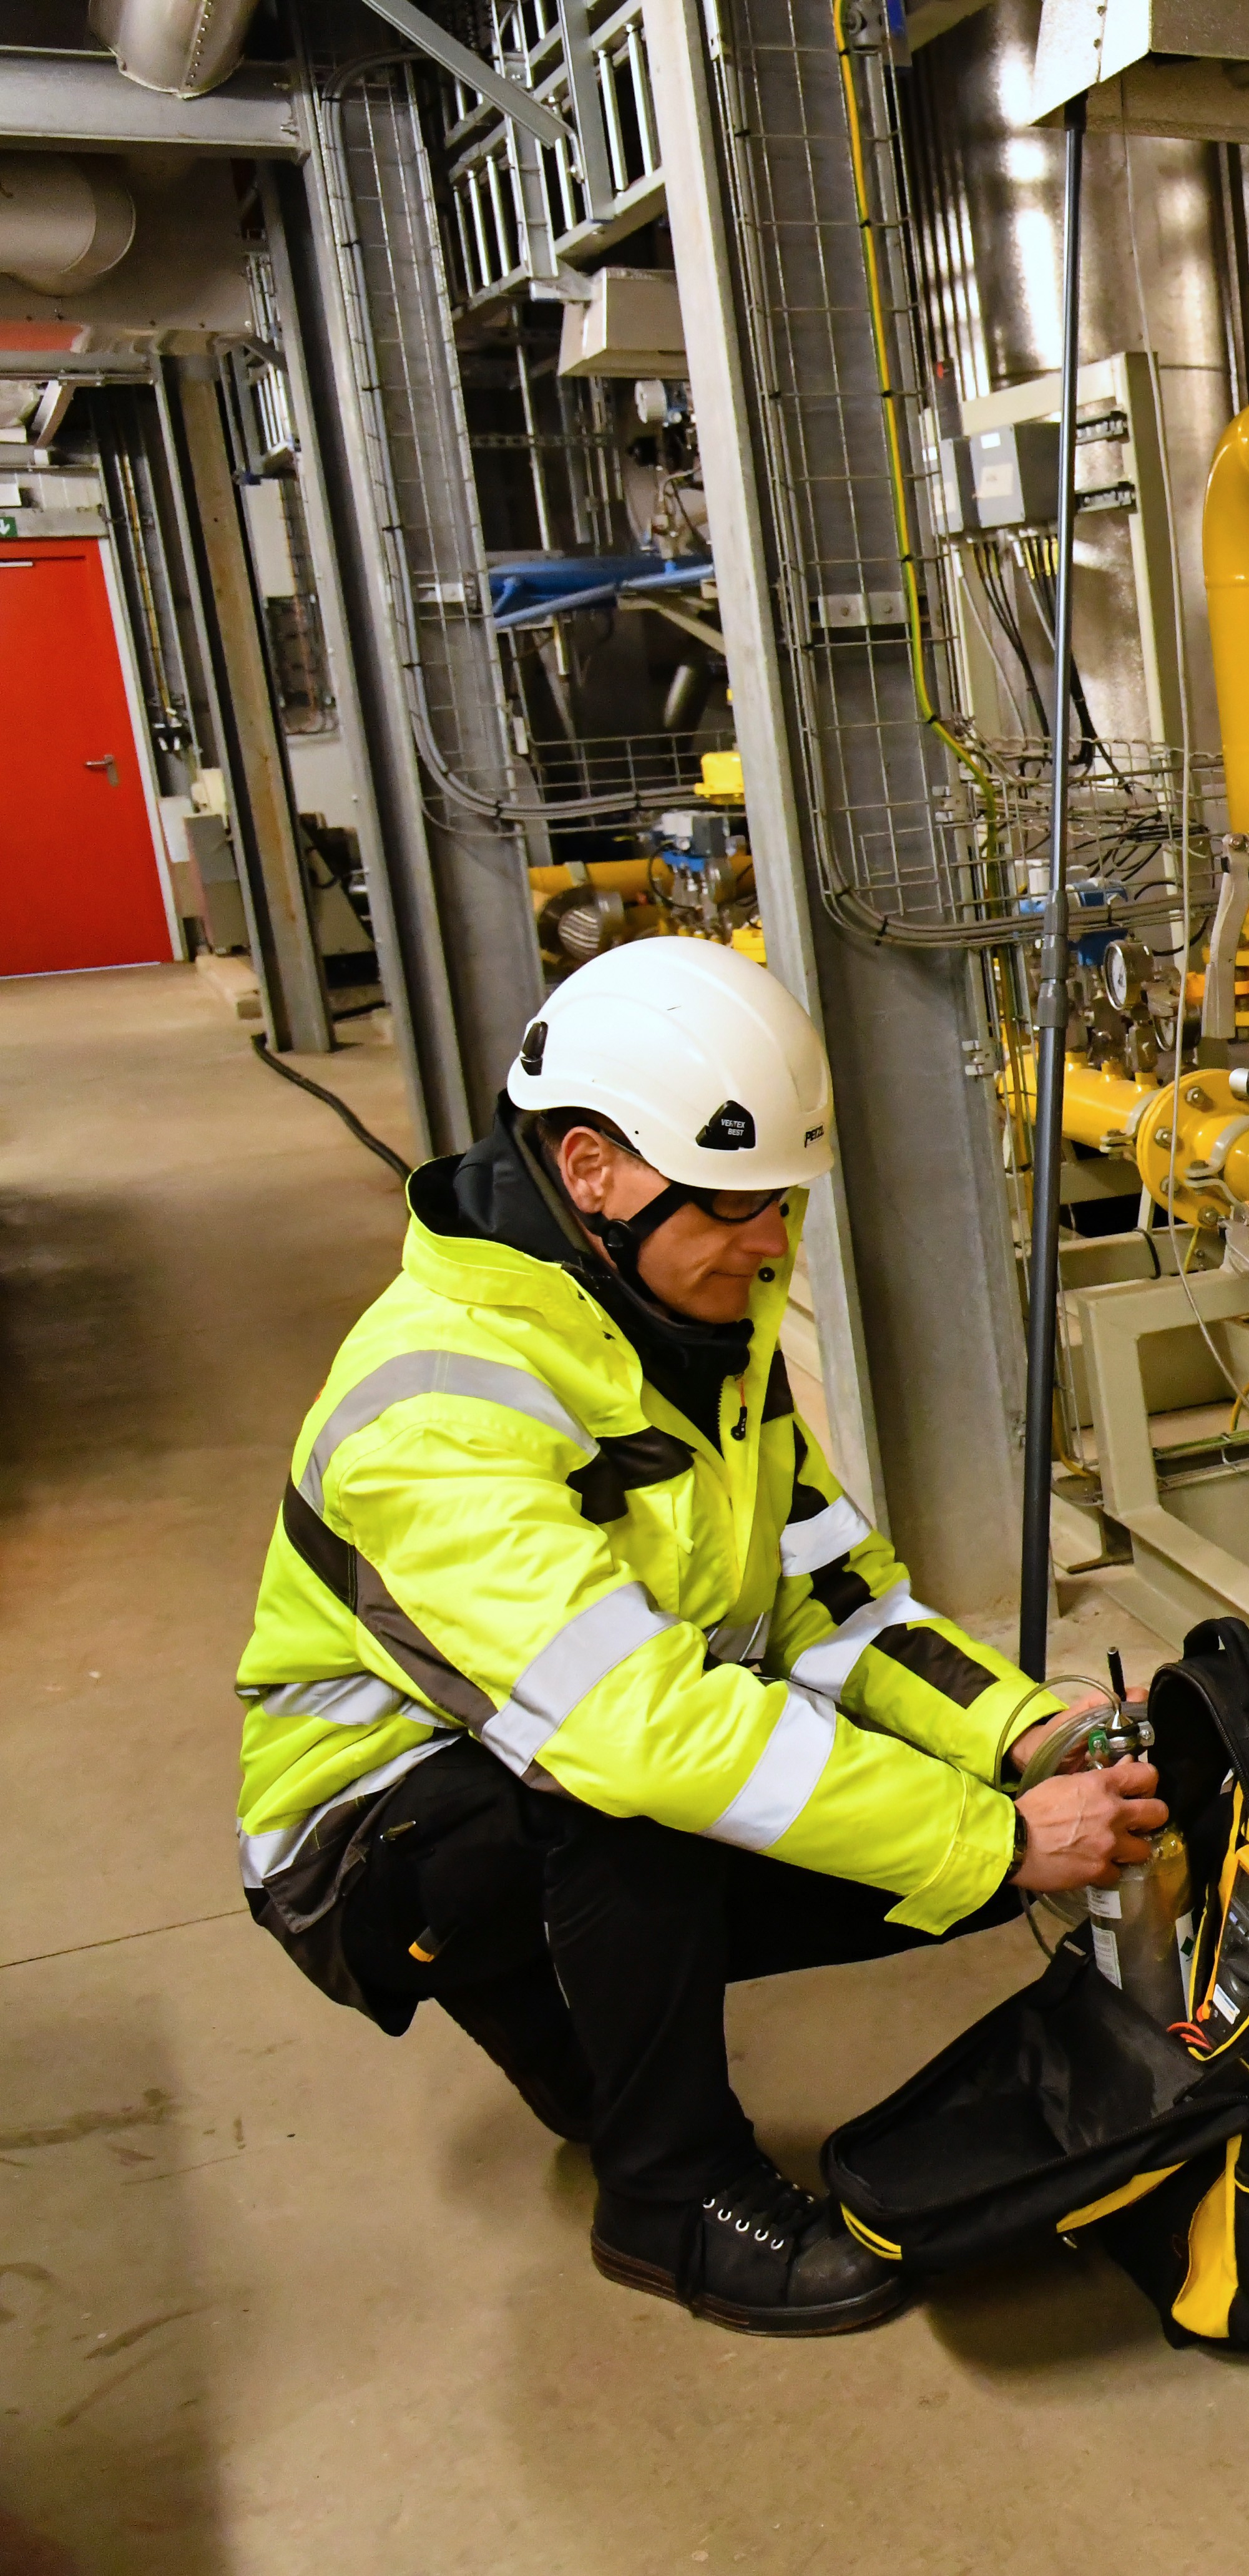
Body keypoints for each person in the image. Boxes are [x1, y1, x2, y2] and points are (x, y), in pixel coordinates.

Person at [235, 938, 1161, 2336]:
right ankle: (669, 2200)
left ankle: (581, 2044)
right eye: (735, 1204)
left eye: (784, 1203)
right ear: (592, 1168)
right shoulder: (435, 1408)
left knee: (934, 1825)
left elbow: (830, 1599)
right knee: (638, 1798)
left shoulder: (691, 1330)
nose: (773, 1243)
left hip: (538, 1787)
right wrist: (1001, 1844)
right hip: (371, 1847)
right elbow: (637, 1730)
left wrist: (1022, 1736)